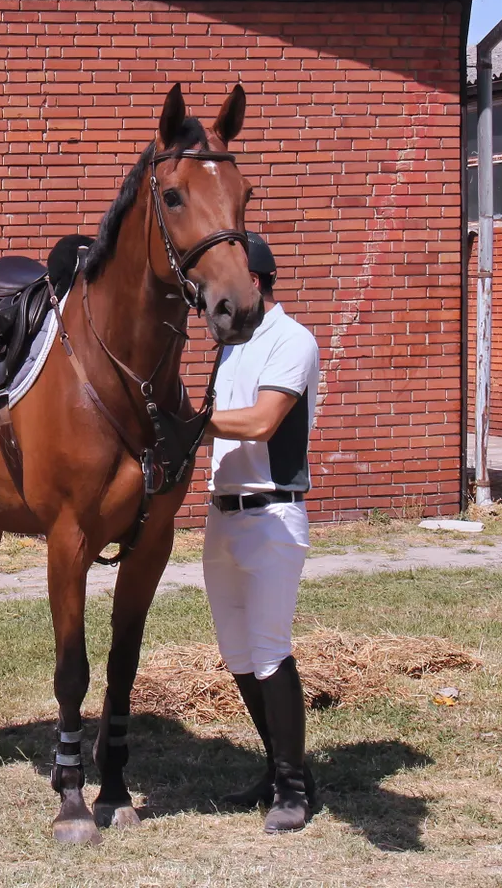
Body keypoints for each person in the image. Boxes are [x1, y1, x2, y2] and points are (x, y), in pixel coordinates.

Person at [202, 231, 321, 834]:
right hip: (222, 516)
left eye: (229, 279)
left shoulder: (292, 340)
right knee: (238, 654)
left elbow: (263, 420)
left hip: (273, 515)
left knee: (271, 651)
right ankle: (277, 769)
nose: (217, 292)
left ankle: (296, 790)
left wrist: (188, 422)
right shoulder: (231, 345)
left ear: (257, 281)